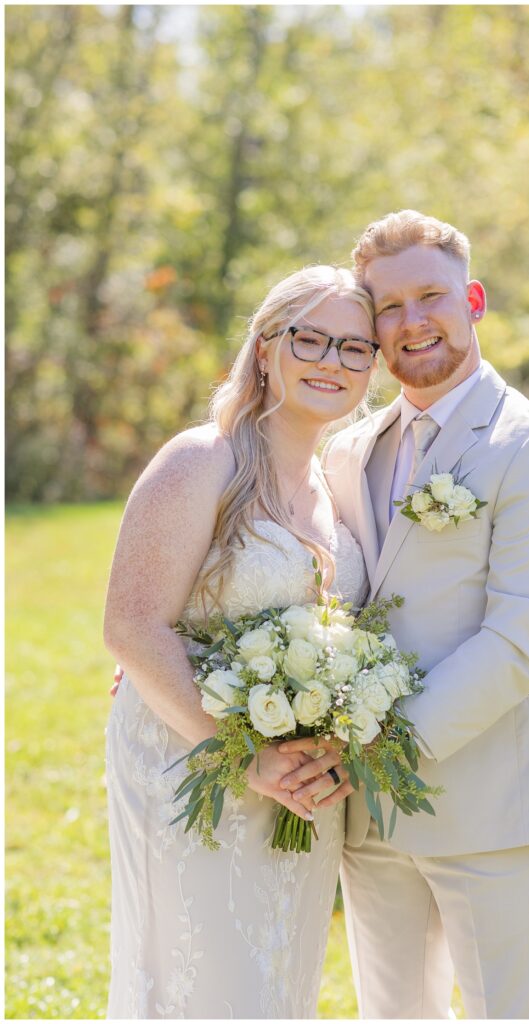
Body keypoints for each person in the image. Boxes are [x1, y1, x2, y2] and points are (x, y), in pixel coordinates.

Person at [279, 210, 529, 1019]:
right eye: (387, 306)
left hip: (489, 802)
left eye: (430, 296)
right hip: (367, 818)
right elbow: (319, 589)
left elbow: (520, 641)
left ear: (474, 300)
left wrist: (378, 750)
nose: (411, 320)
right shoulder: (349, 448)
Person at [103, 265, 377, 1019]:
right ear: (265, 348)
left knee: (273, 983)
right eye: (311, 339)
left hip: (296, 790)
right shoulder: (203, 460)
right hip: (190, 768)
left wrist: (319, 746)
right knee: (198, 980)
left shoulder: (335, 488)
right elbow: (130, 624)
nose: (332, 362)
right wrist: (245, 756)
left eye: (355, 348)